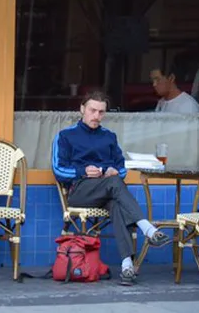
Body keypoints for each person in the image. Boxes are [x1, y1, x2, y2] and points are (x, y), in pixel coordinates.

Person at [53, 90, 169, 284]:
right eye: (92, 110)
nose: (96, 116)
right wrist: (82, 171)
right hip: (80, 191)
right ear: (82, 109)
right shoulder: (65, 136)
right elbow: (58, 170)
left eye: (101, 112)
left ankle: (126, 266)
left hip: (107, 190)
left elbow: (121, 168)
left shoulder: (109, 137)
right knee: (115, 184)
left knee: (117, 204)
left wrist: (114, 171)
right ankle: (147, 228)